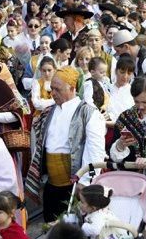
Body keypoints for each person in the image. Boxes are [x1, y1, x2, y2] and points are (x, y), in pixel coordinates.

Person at [25, 66, 106, 222]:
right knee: (50, 226)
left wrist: (84, 181)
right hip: (51, 184)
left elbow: (95, 150)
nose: (53, 93)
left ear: (72, 88)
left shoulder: (89, 112)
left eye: (58, 89)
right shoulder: (49, 111)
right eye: (51, 89)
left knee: (71, 232)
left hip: (75, 184)